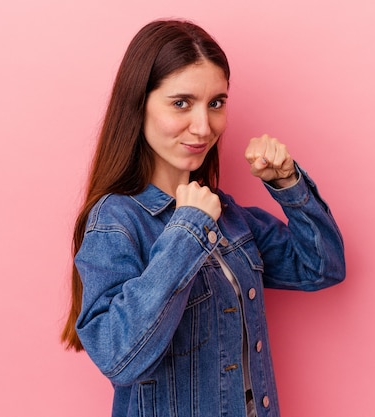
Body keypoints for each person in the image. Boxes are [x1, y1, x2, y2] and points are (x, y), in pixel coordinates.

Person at [61, 18, 345, 417]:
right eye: (181, 103)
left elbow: (322, 267)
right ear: (138, 103)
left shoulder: (226, 216)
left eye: (216, 103)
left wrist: (288, 183)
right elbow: (118, 357)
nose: (203, 126)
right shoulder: (117, 220)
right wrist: (187, 230)